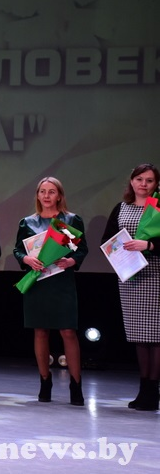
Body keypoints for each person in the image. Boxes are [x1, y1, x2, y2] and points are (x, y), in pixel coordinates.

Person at [13, 177, 88, 406]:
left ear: (59, 195)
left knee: (68, 332)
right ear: (37, 195)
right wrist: (26, 259)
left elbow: (81, 249)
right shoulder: (27, 223)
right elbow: (18, 250)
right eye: (42, 191)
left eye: (51, 191)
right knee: (40, 332)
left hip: (62, 281)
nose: (46, 196)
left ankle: (76, 386)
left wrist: (71, 261)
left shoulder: (71, 220)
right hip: (39, 281)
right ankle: (45, 382)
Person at [101, 163, 160, 411]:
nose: (143, 184)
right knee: (140, 336)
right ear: (132, 181)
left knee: (156, 337)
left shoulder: (158, 207)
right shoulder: (121, 208)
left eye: (149, 180)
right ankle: (143, 389)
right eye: (139, 179)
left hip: (156, 276)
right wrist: (118, 254)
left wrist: (149, 246)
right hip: (130, 277)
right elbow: (107, 240)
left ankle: (153, 391)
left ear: (156, 184)